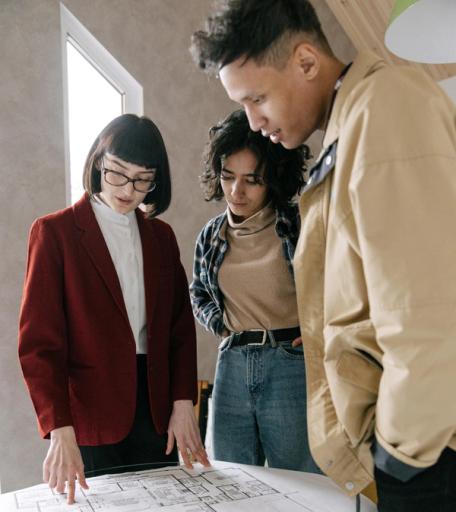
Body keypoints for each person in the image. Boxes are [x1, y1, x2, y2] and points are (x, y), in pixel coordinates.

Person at [190, 1, 456, 510]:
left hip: (425, 456)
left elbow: (425, 314)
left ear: (306, 62)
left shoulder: (385, 107)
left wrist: (403, 459)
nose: (254, 120)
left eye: (258, 97)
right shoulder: (348, 126)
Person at [18, 114, 209, 505]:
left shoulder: (161, 236)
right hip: (90, 416)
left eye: (143, 180)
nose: (128, 189)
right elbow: (39, 346)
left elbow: (179, 329)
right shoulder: (55, 233)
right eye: (117, 174)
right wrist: (60, 429)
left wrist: (183, 403)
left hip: (157, 412)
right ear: (98, 163)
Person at [190, 109, 319, 473]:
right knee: (232, 480)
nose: (236, 191)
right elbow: (198, 290)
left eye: (252, 180)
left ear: (273, 180)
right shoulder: (212, 235)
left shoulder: (298, 224)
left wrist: (317, 333)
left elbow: (337, 287)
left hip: (290, 362)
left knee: (300, 481)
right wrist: (219, 325)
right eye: (228, 177)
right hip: (232, 360)